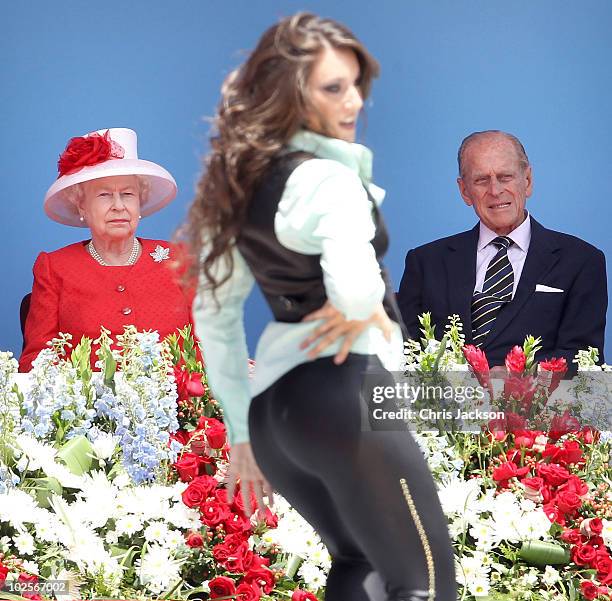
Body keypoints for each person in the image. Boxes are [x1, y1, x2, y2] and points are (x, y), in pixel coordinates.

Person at [186, 13, 456, 601]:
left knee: (358, 564)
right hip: (345, 397)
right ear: (288, 93)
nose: (355, 101)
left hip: (274, 418)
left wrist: (240, 434)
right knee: (425, 584)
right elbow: (357, 289)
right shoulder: (327, 180)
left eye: (356, 83)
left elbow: (214, 318)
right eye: (334, 87)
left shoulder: (235, 192)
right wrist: (360, 306)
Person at [398, 130, 608, 369]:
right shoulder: (425, 262)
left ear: (527, 181)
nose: (495, 190)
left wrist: (517, 380)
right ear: (465, 191)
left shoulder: (581, 261)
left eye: (505, 177)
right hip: (444, 404)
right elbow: (406, 354)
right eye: (481, 180)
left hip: (537, 405)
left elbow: (583, 358)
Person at [19, 127, 195, 371]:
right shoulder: (54, 267)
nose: (118, 206)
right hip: (88, 408)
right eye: (104, 195)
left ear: (140, 203)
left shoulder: (180, 260)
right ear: (81, 206)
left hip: (179, 406)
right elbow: (36, 362)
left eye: (128, 194)